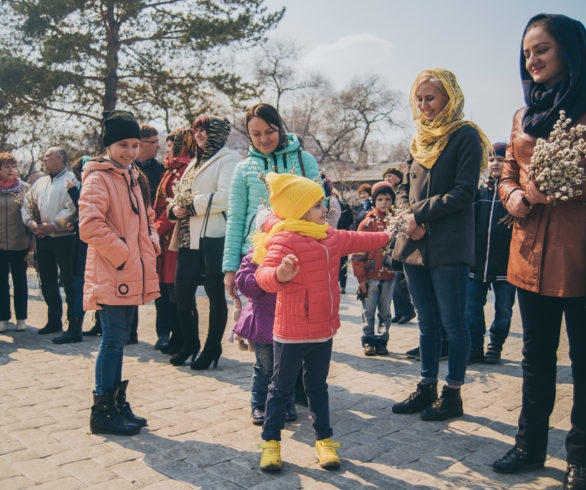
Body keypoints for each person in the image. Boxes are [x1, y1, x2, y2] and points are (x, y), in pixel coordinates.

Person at [492, 15, 586, 488]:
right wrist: (515, 197)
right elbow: (507, 171)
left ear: (570, 50)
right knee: (535, 357)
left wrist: (564, 184)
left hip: (578, 255)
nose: (533, 60)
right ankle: (529, 446)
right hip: (527, 255)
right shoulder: (521, 115)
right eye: (527, 52)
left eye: (543, 49)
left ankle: (581, 458)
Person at [254, 172, 392, 471]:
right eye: (318, 206)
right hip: (291, 333)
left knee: (318, 388)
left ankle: (324, 441)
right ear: (301, 209)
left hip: (322, 331)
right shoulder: (284, 238)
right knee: (280, 389)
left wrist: (391, 233)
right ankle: (271, 443)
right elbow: (262, 275)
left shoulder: (330, 235)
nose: (325, 211)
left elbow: (362, 238)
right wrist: (280, 275)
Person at [391, 69, 490, 421]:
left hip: (448, 244)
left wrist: (419, 215)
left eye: (430, 98)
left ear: (450, 97)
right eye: (419, 99)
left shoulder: (465, 136)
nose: (423, 105)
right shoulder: (419, 139)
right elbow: (402, 186)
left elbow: (465, 191)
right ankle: (426, 385)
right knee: (426, 322)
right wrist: (406, 216)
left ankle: (453, 393)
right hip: (413, 243)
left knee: (453, 323)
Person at [79, 110, 160, 436]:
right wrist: (124, 255)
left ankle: (115, 403)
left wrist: (152, 242)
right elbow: (89, 225)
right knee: (112, 340)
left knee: (119, 339)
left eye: (134, 144)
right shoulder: (99, 178)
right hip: (115, 271)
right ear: (109, 146)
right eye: (123, 144)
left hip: (128, 272)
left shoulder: (133, 176)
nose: (129, 151)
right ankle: (102, 410)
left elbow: (147, 217)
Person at [222, 102, 320, 298]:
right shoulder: (243, 169)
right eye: (256, 134)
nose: (263, 139)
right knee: (260, 322)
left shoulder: (305, 160)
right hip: (256, 256)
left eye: (270, 131)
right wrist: (230, 268)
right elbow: (235, 219)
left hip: (298, 253)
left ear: (279, 128)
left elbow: (320, 206)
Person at [168, 115, 239, 369]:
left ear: (219, 133)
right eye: (197, 130)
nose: (199, 135)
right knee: (182, 292)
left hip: (213, 236)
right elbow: (179, 195)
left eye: (206, 130)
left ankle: (212, 347)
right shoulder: (193, 163)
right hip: (187, 236)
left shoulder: (228, 159)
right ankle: (190, 343)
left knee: (214, 295)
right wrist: (175, 207)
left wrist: (190, 204)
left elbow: (226, 197)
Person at [232, 208, 296, 426]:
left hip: (288, 319)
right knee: (265, 366)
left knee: (287, 366)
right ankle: (259, 403)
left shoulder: (291, 254)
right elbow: (243, 281)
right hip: (263, 321)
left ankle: (287, 402)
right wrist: (265, 279)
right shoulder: (255, 254)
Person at [466, 142, 515, 364]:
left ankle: (495, 345)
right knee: (471, 307)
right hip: (477, 262)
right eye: (492, 159)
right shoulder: (479, 192)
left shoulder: (513, 192)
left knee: (504, 309)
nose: (496, 164)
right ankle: (475, 346)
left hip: (506, 264)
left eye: (501, 159)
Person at [21, 146, 77, 336]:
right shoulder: (40, 182)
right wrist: (31, 224)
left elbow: (72, 208)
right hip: (43, 238)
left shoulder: (71, 180)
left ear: (60, 159)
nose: (44, 160)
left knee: (69, 282)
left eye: (48, 157)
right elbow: (27, 204)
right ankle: (53, 320)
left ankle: (73, 322)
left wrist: (54, 225)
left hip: (64, 239)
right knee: (47, 281)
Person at [153, 129, 194, 354]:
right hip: (165, 239)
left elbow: (175, 206)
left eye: (170, 146)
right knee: (169, 292)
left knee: (178, 294)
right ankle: (174, 338)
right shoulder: (171, 170)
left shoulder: (184, 170)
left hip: (174, 239)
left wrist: (157, 228)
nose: (166, 150)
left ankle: (182, 340)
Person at [352, 181, 396, 356]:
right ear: (374, 201)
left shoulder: (396, 222)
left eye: (387, 199)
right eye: (380, 199)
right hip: (370, 275)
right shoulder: (367, 223)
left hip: (390, 274)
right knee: (368, 309)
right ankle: (368, 340)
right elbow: (357, 252)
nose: (384, 203)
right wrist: (360, 277)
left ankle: (382, 339)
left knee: (385, 311)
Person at [52, 156, 91, 344]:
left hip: (89, 247)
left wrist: (73, 192)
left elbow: (88, 210)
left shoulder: (91, 188)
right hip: (82, 242)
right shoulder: (86, 186)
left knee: (79, 285)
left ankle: (75, 329)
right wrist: (75, 227)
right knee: (79, 285)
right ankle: (77, 326)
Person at [0, 152, 30, 333]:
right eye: (6, 167)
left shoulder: (25, 188)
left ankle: (21, 318)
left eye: (13, 166)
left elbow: (32, 214)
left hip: (20, 243)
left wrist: (32, 241)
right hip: (0, 245)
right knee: (1, 283)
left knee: (20, 281)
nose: (11, 170)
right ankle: (3, 318)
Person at [336, 192, 353, 294]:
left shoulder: (345, 207)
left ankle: (342, 286)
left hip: (342, 238)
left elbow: (350, 220)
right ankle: (339, 285)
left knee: (343, 263)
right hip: (339, 237)